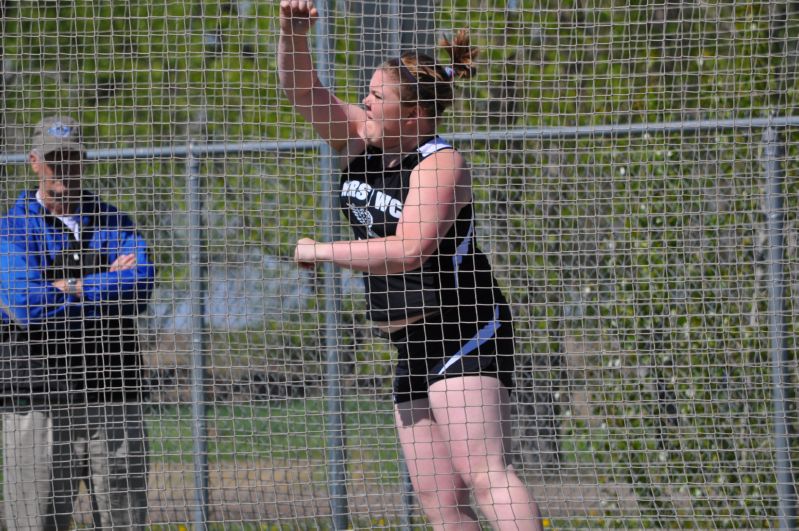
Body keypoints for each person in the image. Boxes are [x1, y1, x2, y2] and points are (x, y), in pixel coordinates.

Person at [278, 2, 542, 529]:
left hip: (463, 329)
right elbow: (303, 92)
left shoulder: (440, 162)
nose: (365, 102)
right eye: (367, 93)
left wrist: (320, 250)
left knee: (486, 474)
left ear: (415, 113)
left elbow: (408, 250)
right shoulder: (360, 141)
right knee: (441, 504)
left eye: (379, 96)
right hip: (410, 342)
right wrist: (292, 34)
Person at [0, 115, 155, 530]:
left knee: (126, 520)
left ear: (84, 163)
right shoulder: (12, 228)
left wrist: (72, 286)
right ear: (34, 162)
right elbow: (24, 305)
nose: (64, 171)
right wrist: (104, 281)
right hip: (38, 398)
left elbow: (141, 284)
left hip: (113, 392)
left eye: (72, 160)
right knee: (33, 522)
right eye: (54, 161)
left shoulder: (115, 222)